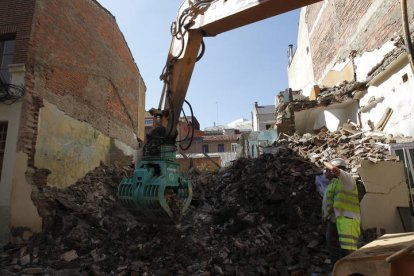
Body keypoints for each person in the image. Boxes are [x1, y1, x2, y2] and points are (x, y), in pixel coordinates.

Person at [322, 158, 360, 263]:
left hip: (347, 220)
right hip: (334, 220)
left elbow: (334, 169)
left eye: (326, 170)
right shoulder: (333, 184)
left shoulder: (347, 180)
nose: (325, 172)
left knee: (349, 251)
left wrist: (325, 162)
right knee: (334, 250)